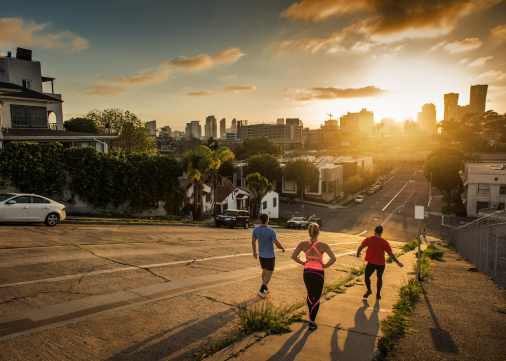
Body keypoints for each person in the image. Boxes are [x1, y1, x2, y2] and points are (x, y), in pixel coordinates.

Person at [292, 224, 336, 330]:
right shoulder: (323, 245)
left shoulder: (303, 244)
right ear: (318, 232)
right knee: (317, 296)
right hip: (318, 272)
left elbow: (293, 256)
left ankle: (310, 314)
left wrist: (303, 262)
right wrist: (325, 265)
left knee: (309, 294)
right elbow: (333, 258)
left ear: (308, 232)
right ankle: (312, 321)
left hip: (307, 272)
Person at [356, 226, 403, 300]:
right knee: (379, 278)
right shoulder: (384, 242)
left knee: (367, 276)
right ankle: (378, 294)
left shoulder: (369, 239)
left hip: (371, 263)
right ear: (382, 232)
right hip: (381, 264)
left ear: (374, 230)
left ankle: (369, 290)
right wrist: (398, 262)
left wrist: (358, 253)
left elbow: (360, 247)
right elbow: (391, 254)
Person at [252, 213, 285, 298]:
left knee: (264, 271)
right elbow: (276, 243)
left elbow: (253, 241)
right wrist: (282, 248)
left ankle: (265, 288)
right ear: (268, 220)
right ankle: (262, 290)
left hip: (261, 255)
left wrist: (254, 251)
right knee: (269, 273)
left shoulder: (256, 229)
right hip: (269, 256)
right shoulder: (271, 231)